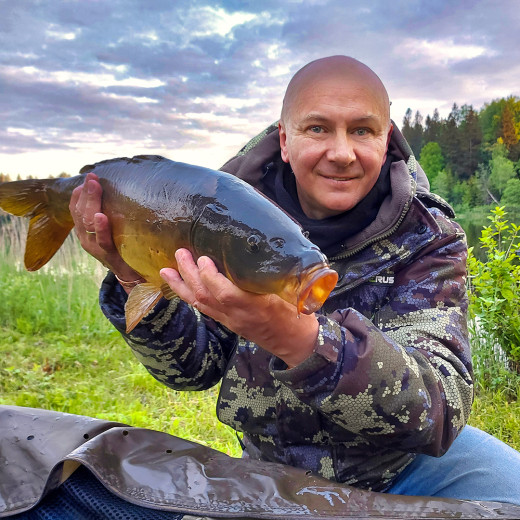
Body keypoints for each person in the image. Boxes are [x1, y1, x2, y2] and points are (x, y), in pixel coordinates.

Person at [70, 55, 520, 504]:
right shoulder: (222, 222)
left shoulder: (429, 237)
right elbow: (191, 369)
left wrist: (296, 338)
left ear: (386, 140)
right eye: (318, 128)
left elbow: (439, 409)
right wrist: (131, 275)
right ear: (285, 141)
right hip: (269, 475)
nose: (341, 153)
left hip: (400, 467)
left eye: (362, 130)